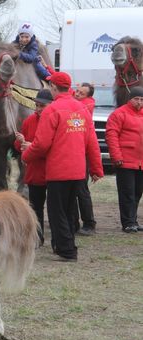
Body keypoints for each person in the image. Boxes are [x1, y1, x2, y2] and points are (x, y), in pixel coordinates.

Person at [21, 72, 103, 262]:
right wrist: (96, 168)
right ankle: (66, 246)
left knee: (57, 212)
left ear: (53, 87)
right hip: (78, 170)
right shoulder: (82, 108)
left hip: (58, 170)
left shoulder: (52, 110)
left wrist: (26, 155)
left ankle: (66, 251)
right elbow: (92, 142)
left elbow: (42, 144)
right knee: (69, 211)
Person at [15, 89, 53, 244]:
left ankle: (59, 239)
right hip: (34, 172)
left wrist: (31, 147)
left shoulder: (54, 120)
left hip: (52, 172)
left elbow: (53, 147)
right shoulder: (29, 121)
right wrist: (21, 141)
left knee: (55, 208)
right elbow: (19, 147)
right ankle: (37, 238)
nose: (38, 109)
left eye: (42, 106)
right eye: (36, 105)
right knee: (36, 208)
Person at [105, 86, 143, 233]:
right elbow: (112, 136)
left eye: (142, 100)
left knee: (137, 192)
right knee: (127, 193)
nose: (139, 102)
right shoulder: (119, 114)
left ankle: (133, 220)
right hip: (125, 161)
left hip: (140, 162)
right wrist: (117, 156)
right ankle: (127, 222)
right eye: (136, 99)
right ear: (130, 99)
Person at [72, 82, 98, 235]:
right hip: (76, 154)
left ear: (88, 97)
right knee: (73, 191)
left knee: (81, 191)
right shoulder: (79, 103)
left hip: (82, 155)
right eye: (77, 91)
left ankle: (89, 223)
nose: (77, 94)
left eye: (81, 93)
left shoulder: (85, 107)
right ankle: (74, 222)